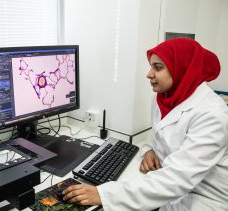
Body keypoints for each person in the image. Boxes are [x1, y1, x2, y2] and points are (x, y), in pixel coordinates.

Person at [62, 38, 228, 210]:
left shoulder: (212, 115)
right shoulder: (163, 98)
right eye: (151, 66)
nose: (149, 74)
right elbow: (161, 133)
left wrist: (104, 194)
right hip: (170, 191)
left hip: (206, 199)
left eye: (158, 67)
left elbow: (177, 179)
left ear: (182, 69)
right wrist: (150, 149)